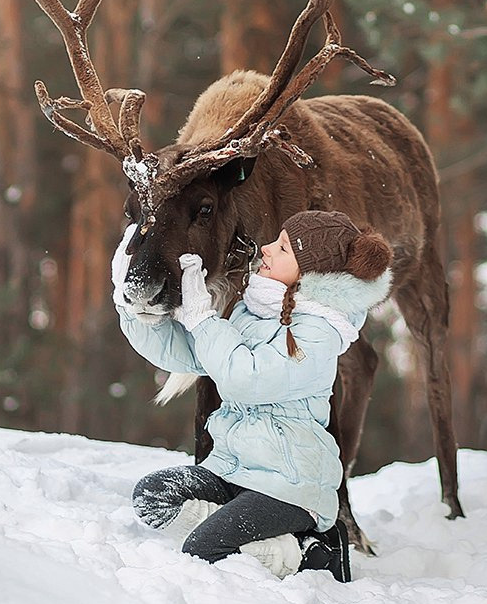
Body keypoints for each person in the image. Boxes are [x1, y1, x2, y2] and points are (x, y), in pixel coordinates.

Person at [112, 210, 394, 582]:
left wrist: (202, 316)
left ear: (309, 271)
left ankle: (316, 554)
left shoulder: (319, 333)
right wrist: (131, 303)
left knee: (203, 549)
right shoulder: (254, 310)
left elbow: (246, 378)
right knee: (153, 495)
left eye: (282, 248)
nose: (265, 249)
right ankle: (269, 539)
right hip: (234, 468)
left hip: (290, 484)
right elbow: (187, 354)